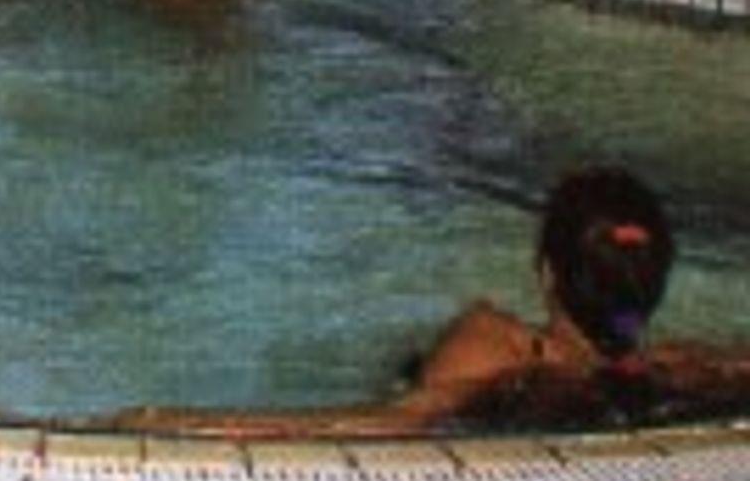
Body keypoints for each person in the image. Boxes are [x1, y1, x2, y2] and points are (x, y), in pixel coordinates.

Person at [115, 166, 750, 437]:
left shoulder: (494, 346)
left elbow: (377, 424)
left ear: (547, 274)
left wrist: (163, 421)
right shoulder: (685, 368)